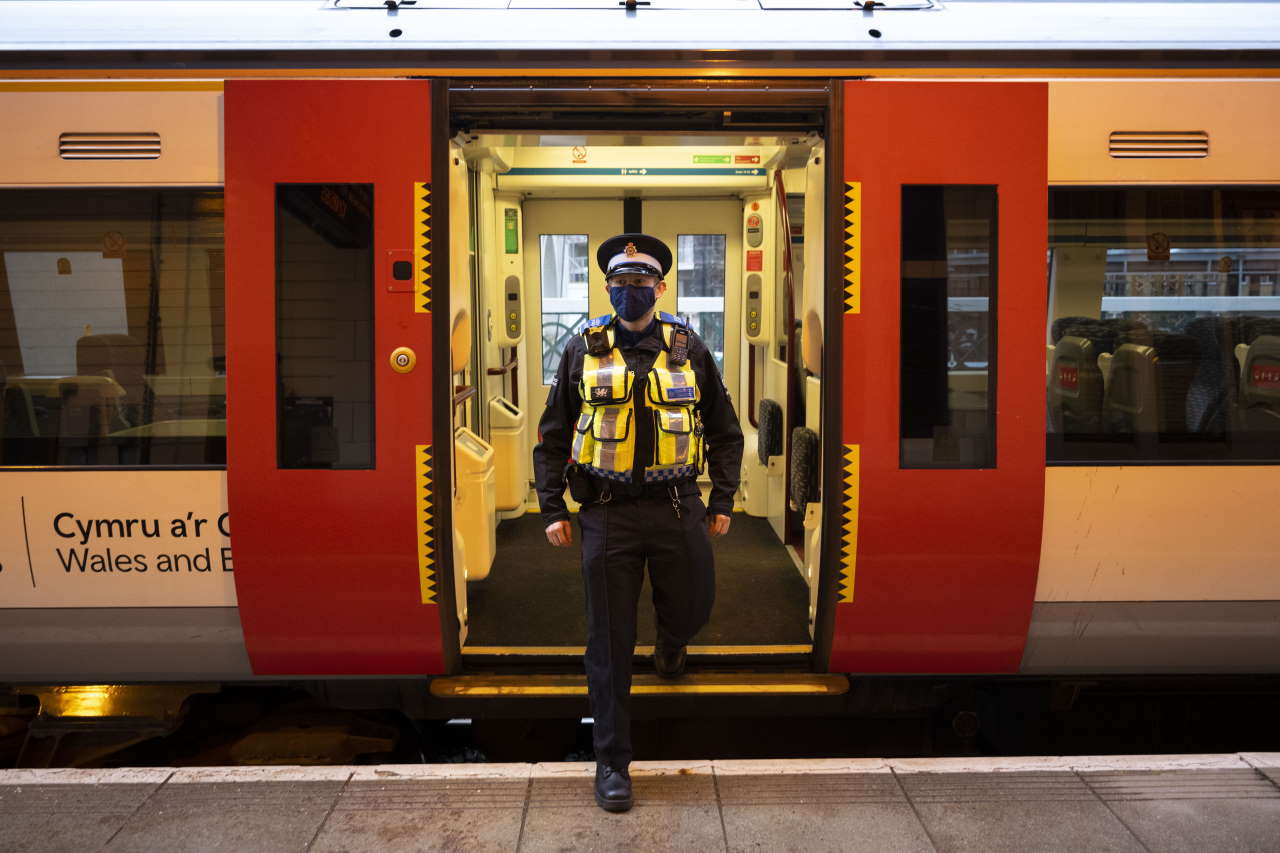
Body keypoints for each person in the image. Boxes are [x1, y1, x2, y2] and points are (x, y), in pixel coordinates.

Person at [533, 233, 744, 813]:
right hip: (605, 513)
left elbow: (726, 433)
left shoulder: (690, 347)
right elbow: (552, 439)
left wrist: (722, 499)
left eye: (641, 283)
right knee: (608, 642)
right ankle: (611, 764)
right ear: (606, 288)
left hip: (678, 505)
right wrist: (552, 508)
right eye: (620, 284)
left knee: (695, 603)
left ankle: (672, 645)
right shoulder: (581, 349)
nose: (631, 293)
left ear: (660, 286)